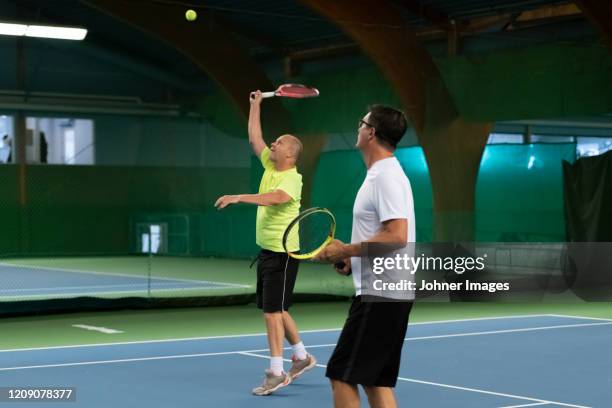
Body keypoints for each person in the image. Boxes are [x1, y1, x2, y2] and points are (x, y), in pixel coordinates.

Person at [214, 90, 316, 396]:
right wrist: (255, 105)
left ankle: (276, 371)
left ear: (290, 155)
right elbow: (254, 138)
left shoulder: (292, 178)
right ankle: (300, 357)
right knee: (277, 309)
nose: (272, 144)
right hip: (268, 252)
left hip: (284, 254)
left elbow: (275, 199)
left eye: (279, 143)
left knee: (272, 312)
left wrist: (238, 196)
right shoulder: (271, 167)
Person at [317, 105, 415, 408]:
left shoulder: (384, 176)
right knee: (376, 380)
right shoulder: (381, 174)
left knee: (341, 374)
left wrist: (346, 249)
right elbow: (383, 234)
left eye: (361, 123)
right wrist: (353, 259)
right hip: (389, 290)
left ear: (371, 132)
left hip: (380, 294)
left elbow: (397, 235)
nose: (357, 128)